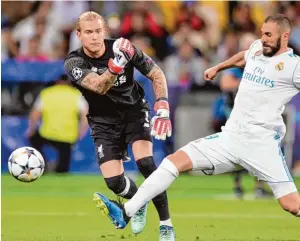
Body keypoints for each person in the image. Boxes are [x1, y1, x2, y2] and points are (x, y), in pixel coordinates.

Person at [93, 14, 300, 230]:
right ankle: (126, 212)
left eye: (268, 35)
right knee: (173, 162)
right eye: (262, 33)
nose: (263, 38)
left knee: (291, 205)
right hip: (230, 138)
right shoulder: (259, 47)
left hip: (262, 144)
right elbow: (244, 56)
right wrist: (218, 68)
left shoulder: (294, 66)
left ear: (285, 36)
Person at [64, 12, 175, 241]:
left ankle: (166, 225)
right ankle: (137, 203)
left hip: (134, 111)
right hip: (103, 121)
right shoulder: (74, 63)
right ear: (79, 35)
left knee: (145, 164)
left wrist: (162, 106)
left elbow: (156, 73)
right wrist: (116, 67)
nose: (94, 37)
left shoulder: (123, 47)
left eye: (98, 31)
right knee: (114, 183)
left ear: (104, 31)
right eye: (88, 32)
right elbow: (98, 86)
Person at [219, 33, 273, 199]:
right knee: (237, 151)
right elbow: (225, 84)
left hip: (257, 114)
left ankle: (258, 186)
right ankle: (237, 186)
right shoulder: (237, 65)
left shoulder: (264, 66)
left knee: (260, 149)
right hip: (236, 114)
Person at [26, 74, 88, 173]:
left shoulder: (47, 93)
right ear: (69, 83)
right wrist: (82, 131)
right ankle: (59, 169)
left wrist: (31, 129)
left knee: (34, 140)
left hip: (47, 133)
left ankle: (42, 165)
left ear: (57, 82)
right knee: (63, 169)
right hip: (67, 136)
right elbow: (85, 115)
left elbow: (35, 114)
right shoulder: (76, 94)